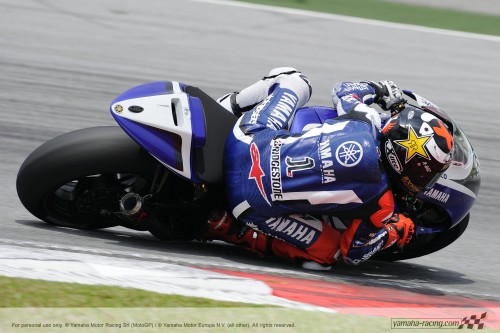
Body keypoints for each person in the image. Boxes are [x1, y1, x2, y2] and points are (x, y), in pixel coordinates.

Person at [199, 67, 454, 270]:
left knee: (293, 79)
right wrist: (394, 231)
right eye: (424, 172)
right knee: (328, 255)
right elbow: (354, 253)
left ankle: (222, 110)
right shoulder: (383, 204)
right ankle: (230, 229)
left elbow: (344, 90)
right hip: (248, 202)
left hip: (246, 140)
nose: (426, 179)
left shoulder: (365, 120)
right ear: (402, 160)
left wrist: (381, 90)